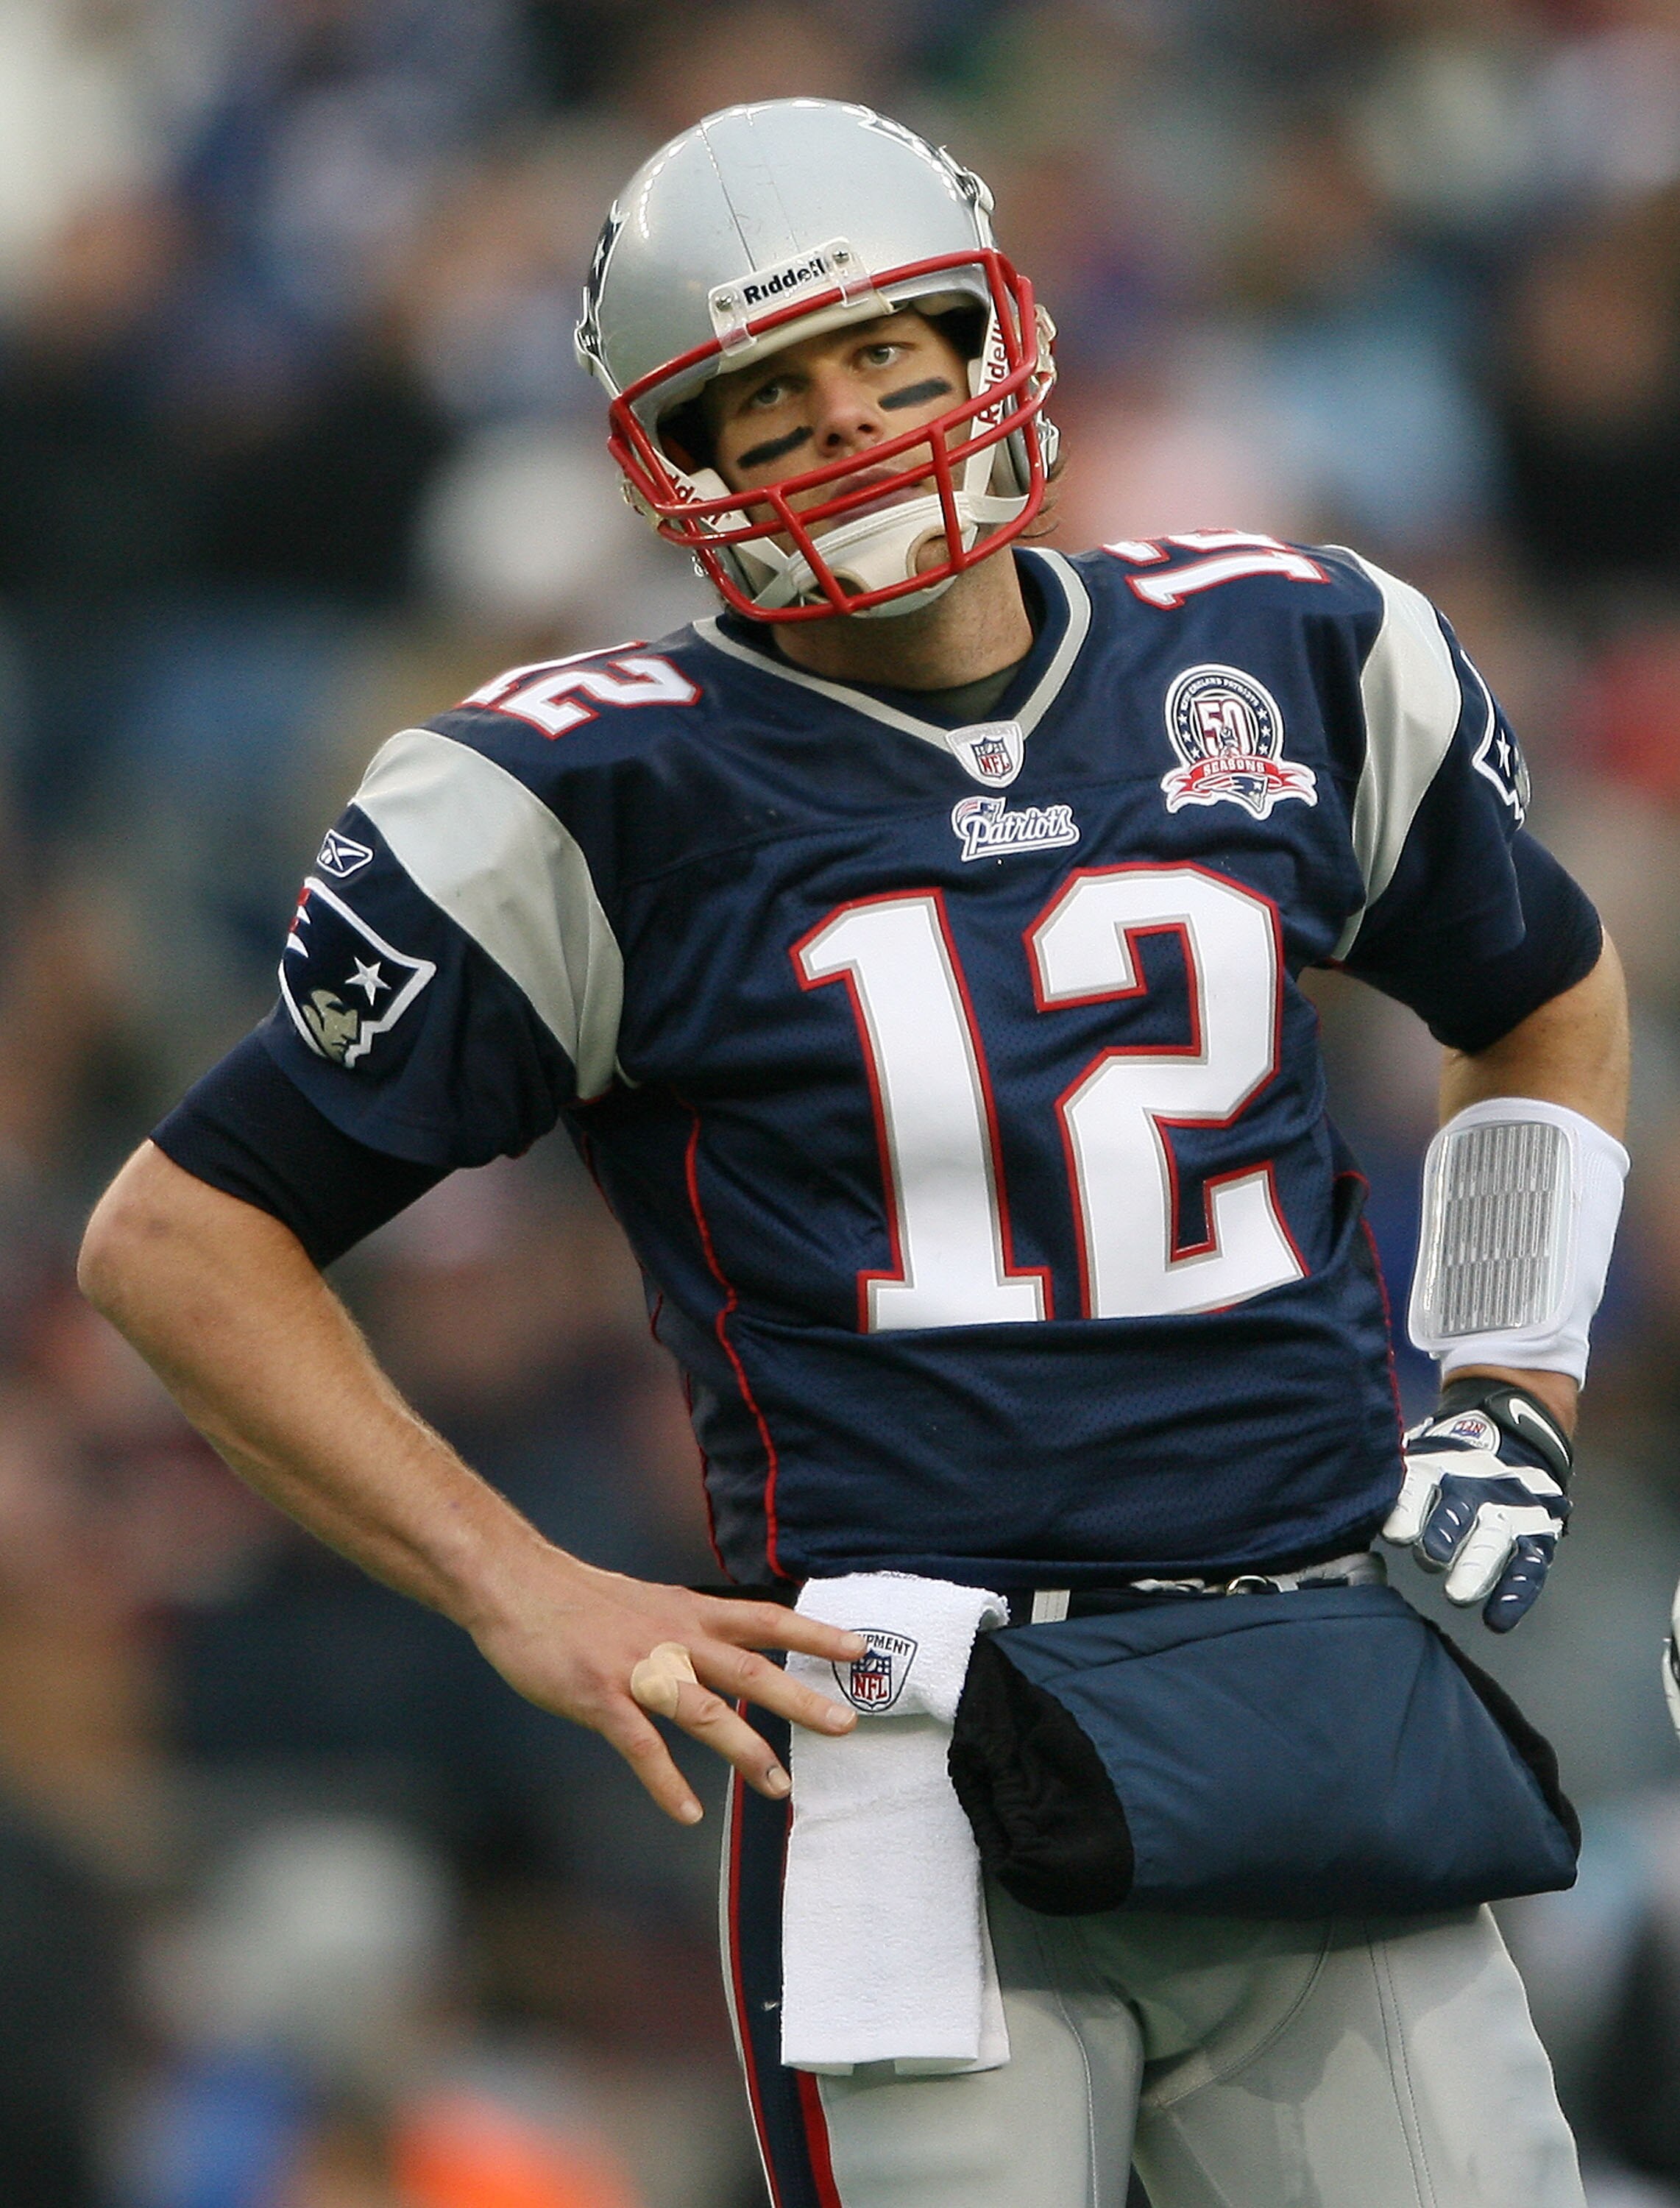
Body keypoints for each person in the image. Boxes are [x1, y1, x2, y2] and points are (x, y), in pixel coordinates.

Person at [79, 99, 1631, 2208]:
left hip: (1307, 1687)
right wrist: (511, 1580)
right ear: (673, 460)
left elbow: (1539, 984)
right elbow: (182, 1238)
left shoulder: (1290, 652)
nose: (853, 416)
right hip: (910, 1751)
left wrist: (1511, 1380)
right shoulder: (588, 795)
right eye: (767, 392)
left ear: (992, 331)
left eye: (889, 347)